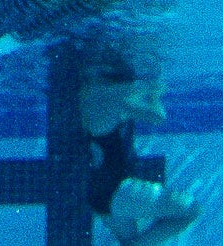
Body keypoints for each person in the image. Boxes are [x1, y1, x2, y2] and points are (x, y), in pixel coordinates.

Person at [79, 53, 201, 246]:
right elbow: (158, 116)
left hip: (99, 193)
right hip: (119, 190)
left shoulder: (94, 97)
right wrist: (155, 90)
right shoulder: (116, 99)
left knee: (131, 242)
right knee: (191, 209)